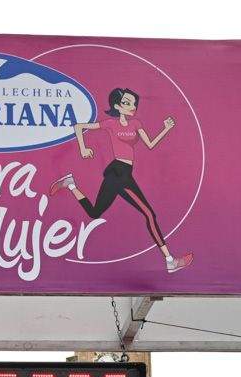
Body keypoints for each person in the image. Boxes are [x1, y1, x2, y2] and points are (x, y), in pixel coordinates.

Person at [48, 87, 194, 274]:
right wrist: (82, 148)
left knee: (94, 212)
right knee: (149, 214)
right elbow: (79, 127)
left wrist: (165, 129)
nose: (132, 106)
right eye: (127, 102)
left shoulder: (136, 124)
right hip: (118, 172)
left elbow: (150, 144)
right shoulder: (110, 124)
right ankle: (170, 260)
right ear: (117, 106)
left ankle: (71, 184)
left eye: (133, 103)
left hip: (122, 173)